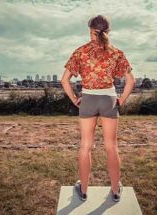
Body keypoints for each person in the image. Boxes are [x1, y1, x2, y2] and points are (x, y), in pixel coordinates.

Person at [61, 14, 135, 202]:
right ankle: (116, 191)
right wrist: (121, 100)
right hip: (109, 99)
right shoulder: (117, 53)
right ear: (108, 31)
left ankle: (83, 190)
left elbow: (64, 80)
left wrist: (75, 99)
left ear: (90, 30)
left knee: (86, 146)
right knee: (111, 147)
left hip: (88, 99)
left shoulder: (81, 51)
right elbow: (130, 81)